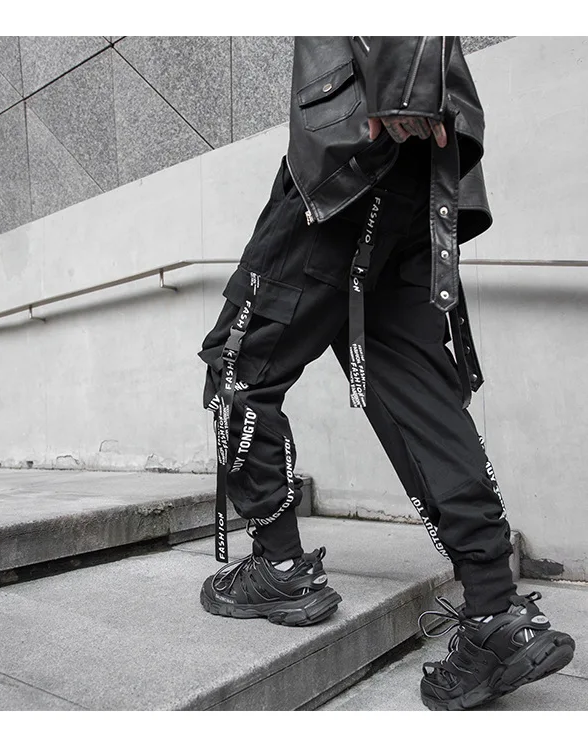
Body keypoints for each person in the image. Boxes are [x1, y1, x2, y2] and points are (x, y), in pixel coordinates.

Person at [197, 36, 575, 711]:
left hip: (357, 148)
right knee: (417, 390)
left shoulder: (391, 92)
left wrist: (404, 87)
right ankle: (495, 609)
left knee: (238, 364)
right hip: (419, 175)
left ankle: (277, 566)